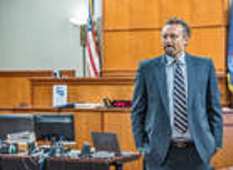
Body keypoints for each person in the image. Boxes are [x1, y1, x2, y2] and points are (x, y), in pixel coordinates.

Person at [131, 17, 223, 170]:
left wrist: (216, 143)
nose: (168, 41)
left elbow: (214, 108)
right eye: (164, 37)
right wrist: (141, 146)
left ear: (186, 39)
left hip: (198, 151)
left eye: (173, 36)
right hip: (160, 153)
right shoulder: (147, 68)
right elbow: (137, 110)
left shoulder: (204, 66)